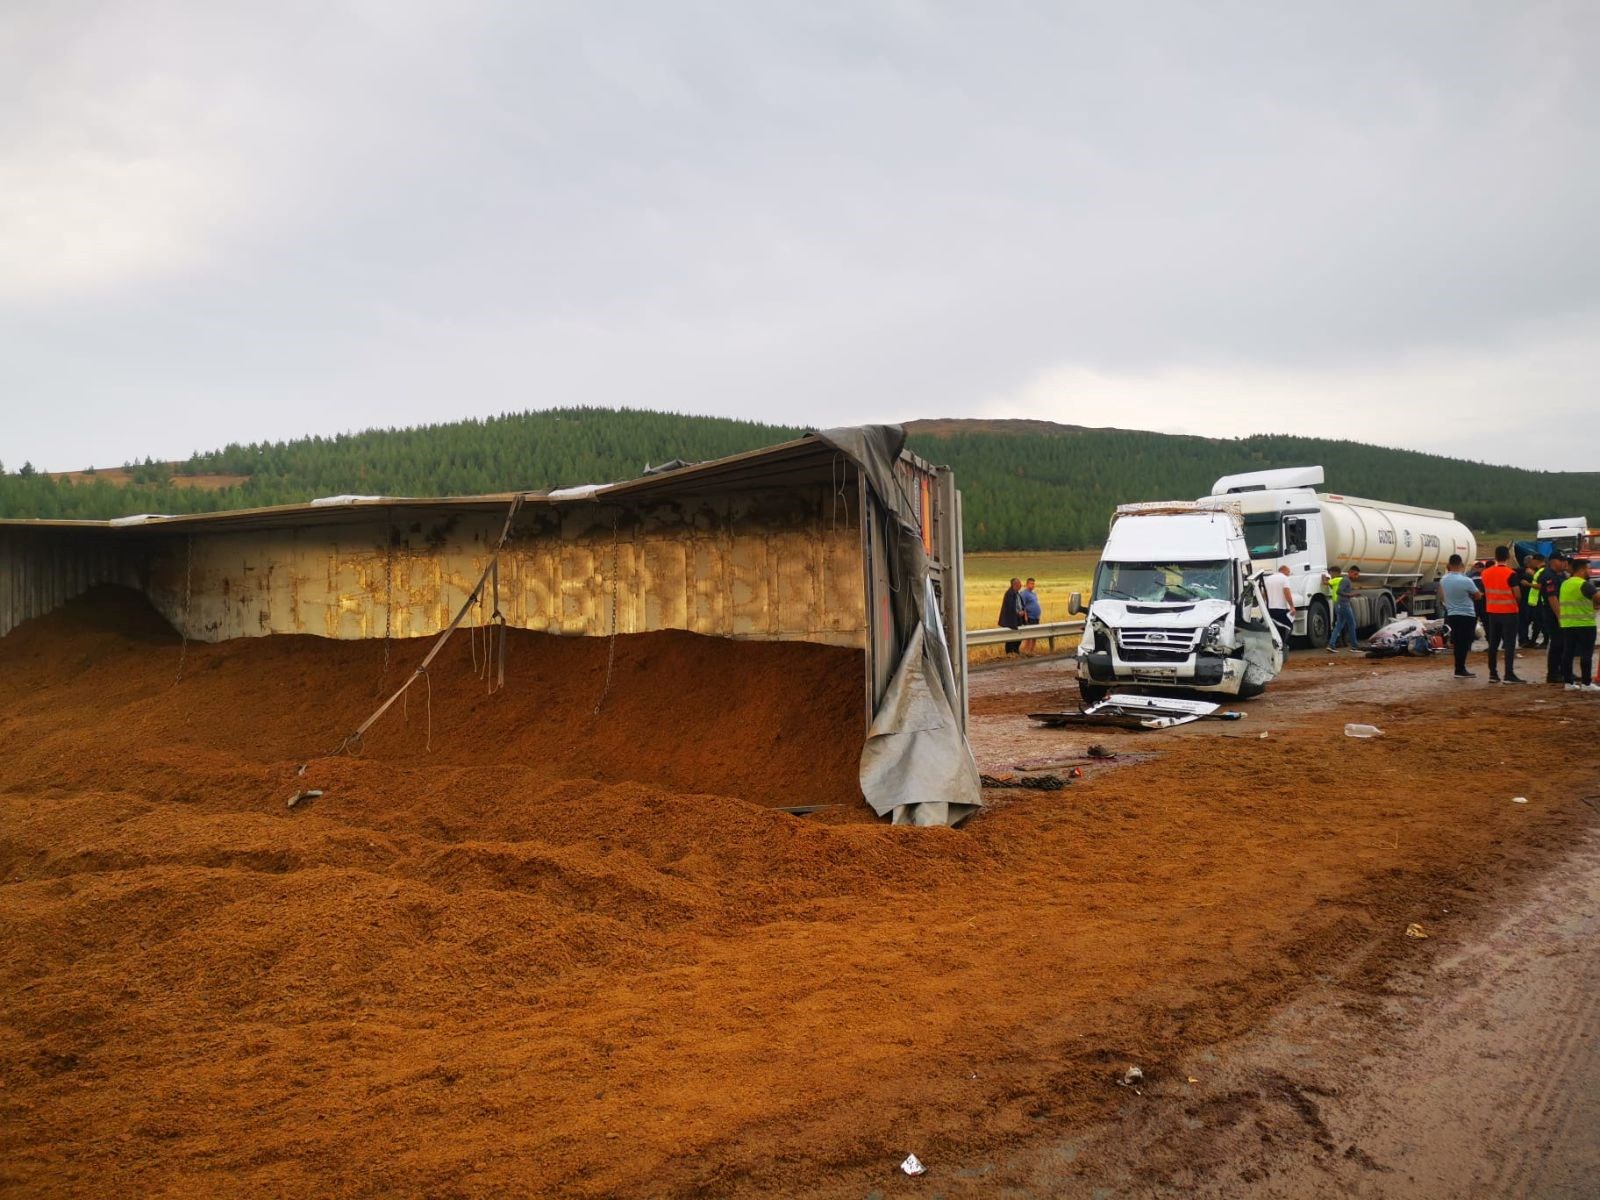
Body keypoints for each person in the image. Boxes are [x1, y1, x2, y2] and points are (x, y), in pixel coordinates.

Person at [1477, 545, 1525, 683]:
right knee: (1509, 644)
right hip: (1509, 612)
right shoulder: (1510, 573)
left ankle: (1493, 673)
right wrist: (1517, 604)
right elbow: (1517, 594)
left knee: (1493, 644)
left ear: (1495, 557)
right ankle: (1509, 674)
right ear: (1508, 557)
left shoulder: (1485, 573)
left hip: (1492, 611)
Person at [1557, 558, 1599, 691]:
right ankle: (1586, 683)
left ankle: (1568, 682)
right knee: (1586, 654)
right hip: (1585, 624)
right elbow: (1598, 598)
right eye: (1588, 568)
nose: (1590, 570)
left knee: (1567, 653)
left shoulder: (1565, 583)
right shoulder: (1584, 584)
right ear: (1581, 569)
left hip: (1568, 624)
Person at [1438, 554, 1482, 679]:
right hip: (1467, 614)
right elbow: (1478, 595)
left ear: (1449, 565)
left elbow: (1442, 596)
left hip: (1452, 614)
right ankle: (1460, 669)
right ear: (1461, 565)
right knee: (1465, 642)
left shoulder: (1443, 580)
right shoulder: (1466, 580)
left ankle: (1459, 667)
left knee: (1457, 642)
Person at [1541, 552, 1570, 684]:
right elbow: (1552, 598)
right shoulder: (1548, 576)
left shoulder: (1562, 575)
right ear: (1553, 561)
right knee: (1557, 643)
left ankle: (1565, 671)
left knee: (1565, 644)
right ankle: (1553, 673)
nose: (1564, 563)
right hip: (1553, 614)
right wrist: (1559, 616)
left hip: (1564, 614)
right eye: (1561, 560)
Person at [1327, 565, 1361, 652]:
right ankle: (1354, 646)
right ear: (1350, 572)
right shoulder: (1346, 580)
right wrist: (1351, 595)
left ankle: (1331, 644)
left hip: (1339, 604)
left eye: (1357, 575)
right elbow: (1339, 591)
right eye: (1355, 574)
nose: (1356, 576)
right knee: (1352, 624)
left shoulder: (1345, 580)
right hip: (1344, 604)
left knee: (1339, 625)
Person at [1263, 565, 1295, 650]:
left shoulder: (1268, 579)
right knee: (1288, 626)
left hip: (1269, 609)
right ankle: (1282, 647)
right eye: (1288, 572)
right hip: (1280, 608)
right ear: (1284, 571)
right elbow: (1287, 593)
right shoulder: (1284, 578)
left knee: (1277, 628)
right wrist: (1292, 606)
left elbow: (1263, 594)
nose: (1288, 575)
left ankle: (1277, 646)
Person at [1520, 552, 1546, 648]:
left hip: (1538, 601)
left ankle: (1539, 641)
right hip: (1531, 601)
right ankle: (1529, 641)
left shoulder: (1539, 571)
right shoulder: (1527, 572)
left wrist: (1529, 583)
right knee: (1533, 622)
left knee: (1539, 622)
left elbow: (1541, 585)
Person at [998, 577, 1025, 655]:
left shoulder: (1017, 593)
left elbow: (1019, 605)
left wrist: (1023, 611)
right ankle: (1010, 653)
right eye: (1020, 583)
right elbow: (1010, 607)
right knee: (1010, 638)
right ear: (1015, 584)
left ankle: (1015, 651)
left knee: (1018, 637)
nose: (1021, 585)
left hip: (1017, 620)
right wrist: (1018, 613)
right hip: (1011, 621)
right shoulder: (1010, 593)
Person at [1019, 577, 1043, 653]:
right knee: (1029, 636)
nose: (1033, 585)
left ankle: (1031, 651)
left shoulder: (1034, 594)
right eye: (1031, 583)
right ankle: (1026, 651)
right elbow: (1022, 606)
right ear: (1027, 584)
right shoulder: (1024, 594)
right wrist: (1025, 616)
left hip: (1036, 617)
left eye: (1034, 584)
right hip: (1030, 617)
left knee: (1035, 636)